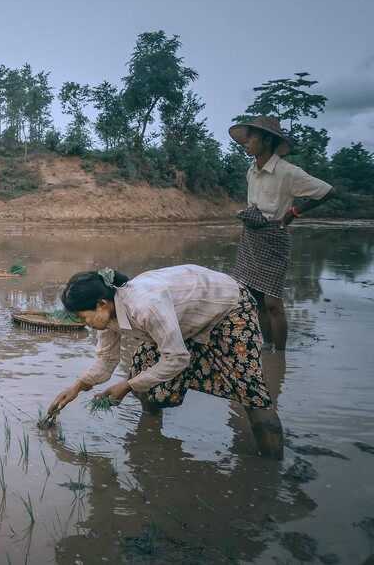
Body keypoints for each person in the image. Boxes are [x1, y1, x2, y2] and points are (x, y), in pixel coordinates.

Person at [46, 264, 285, 460]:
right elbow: (106, 359)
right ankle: (150, 435)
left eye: (82, 316)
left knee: (248, 386)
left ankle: (272, 469)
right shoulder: (108, 316)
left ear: (101, 304)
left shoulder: (144, 306)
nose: (85, 322)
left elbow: (177, 358)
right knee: (143, 365)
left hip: (228, 308)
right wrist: (77, 387)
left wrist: (127, 386)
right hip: (185, 319)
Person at [228, 116, 336, 350]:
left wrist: (295, 210)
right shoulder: (251, 170)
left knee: (273, 302)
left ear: (267, 140)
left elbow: (327, 192)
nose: (246, 143)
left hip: (274, 237)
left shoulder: (288, 172)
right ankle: (267, 350)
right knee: (256, 300)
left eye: (251, 138)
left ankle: (280, 355)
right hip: (251, 237)